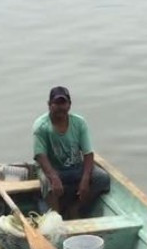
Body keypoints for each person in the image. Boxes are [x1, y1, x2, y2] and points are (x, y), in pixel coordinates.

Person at [32, 86, 111, 219]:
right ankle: (57, 218)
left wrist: (85, 179)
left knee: (102, 178)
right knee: (48, 183)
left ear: (69, 105)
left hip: (75, 168)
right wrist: (54, 177)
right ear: (49, 105)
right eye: (56, 103)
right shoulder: (41, 126)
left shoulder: (79, 123)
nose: (60, 107)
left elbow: (88, 154)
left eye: (63, 103)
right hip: (52, 169)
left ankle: (75, 208)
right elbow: (40, 156)